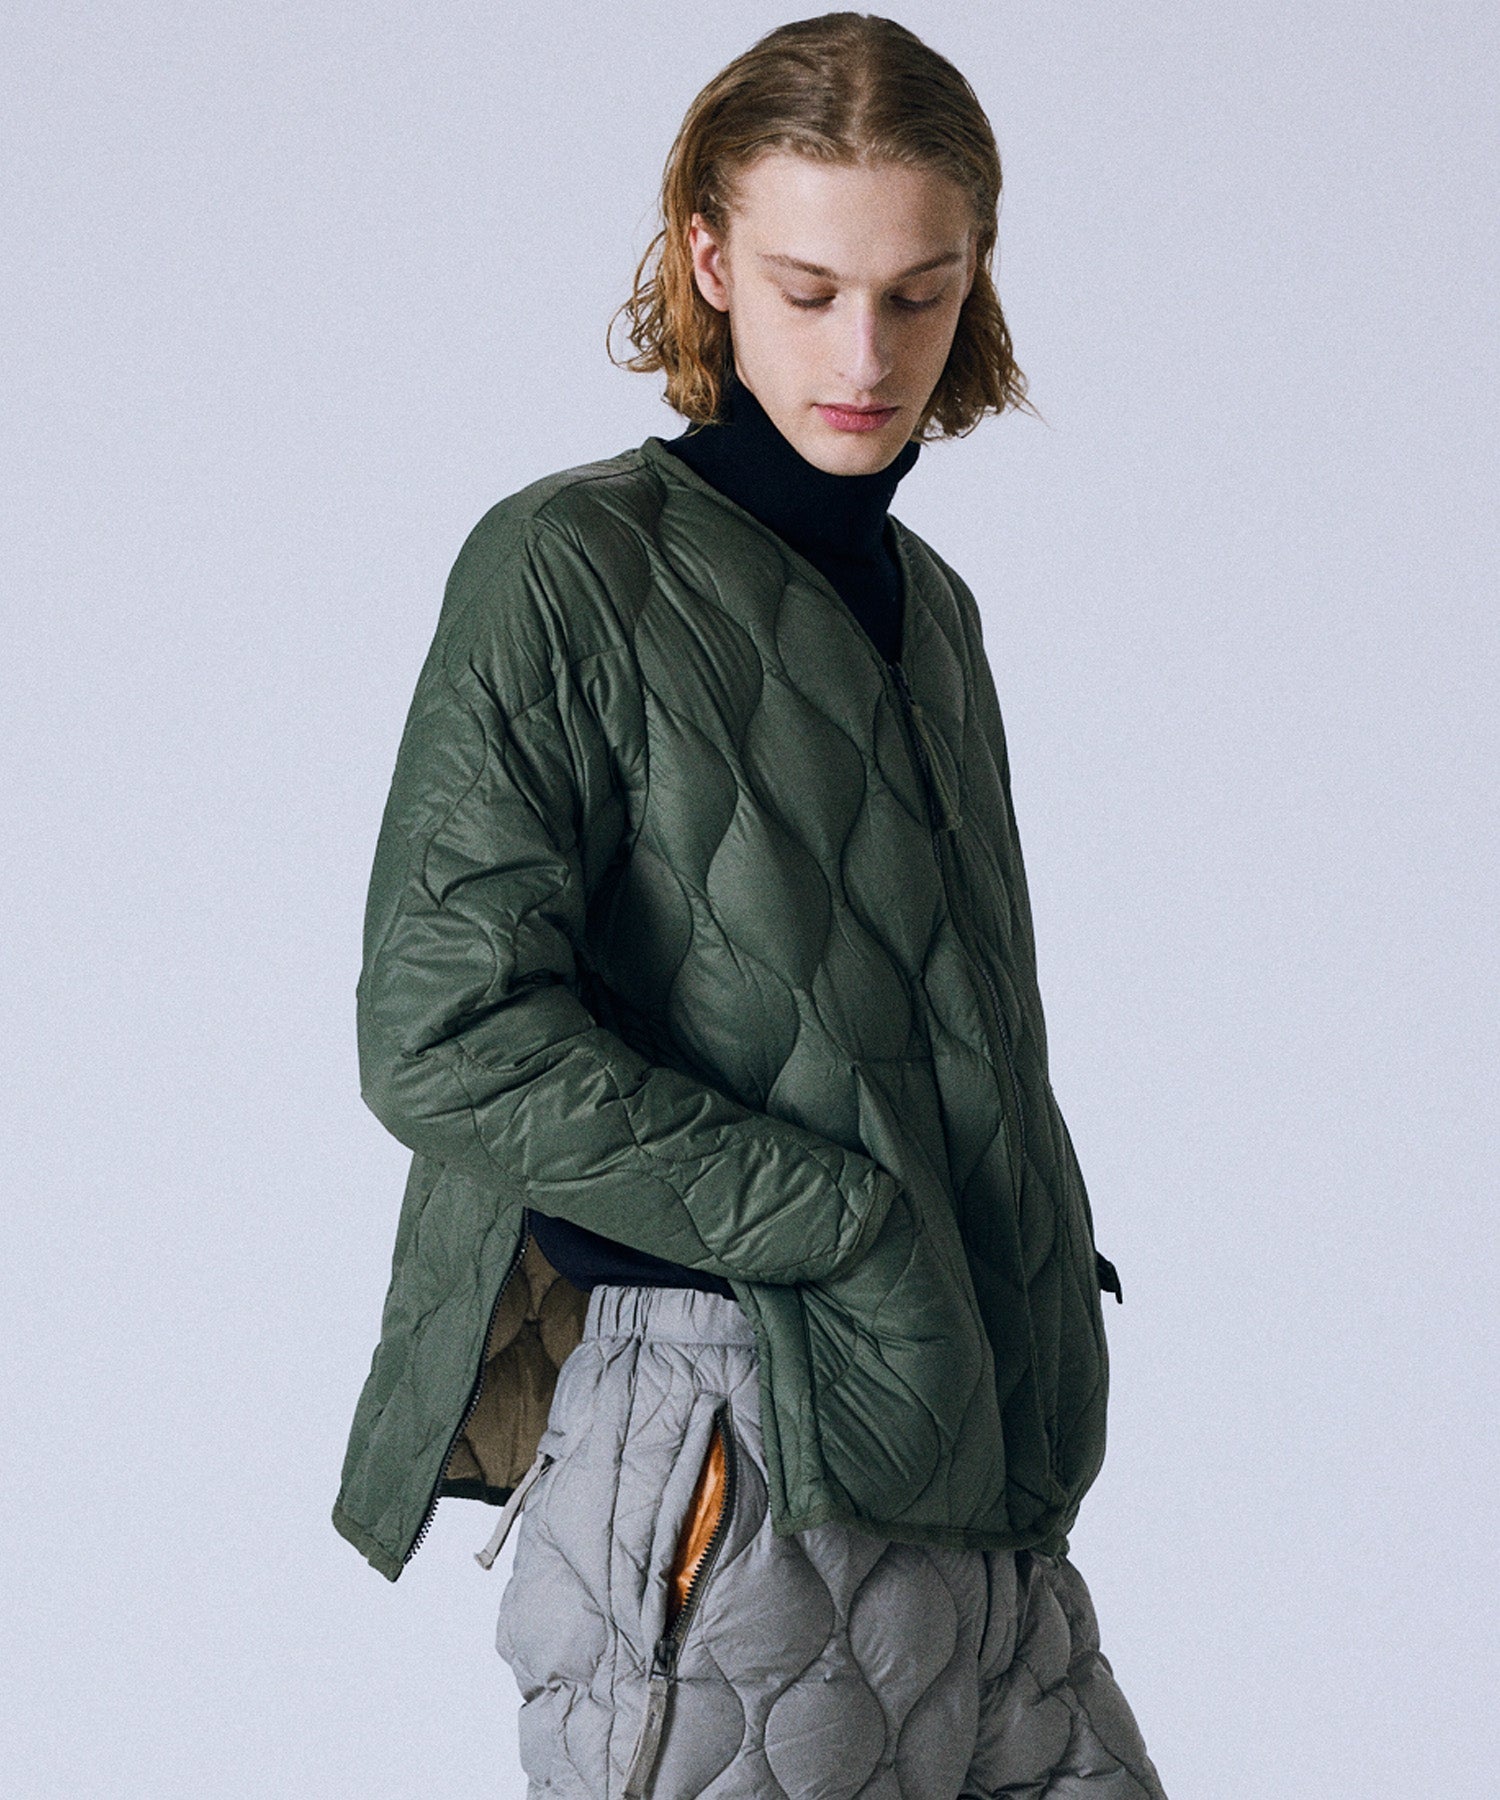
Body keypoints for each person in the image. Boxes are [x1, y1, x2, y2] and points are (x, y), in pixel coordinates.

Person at [333, 13, 1168, 1797]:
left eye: (919, 293)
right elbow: (443, 1035)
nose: (868, 354)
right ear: (708, 262)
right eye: (809, 290)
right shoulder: (570, 568)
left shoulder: (931, 609)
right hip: (735, 1454)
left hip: (976, 1470)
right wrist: (852, 1225)